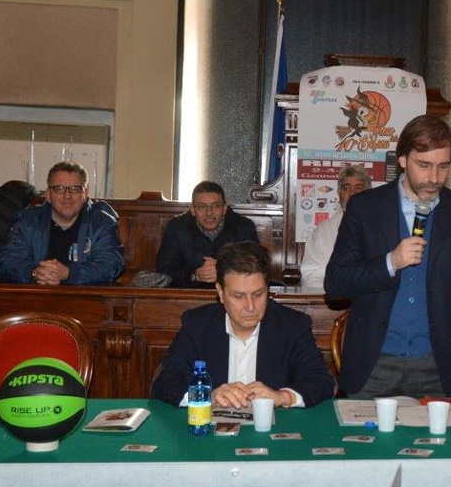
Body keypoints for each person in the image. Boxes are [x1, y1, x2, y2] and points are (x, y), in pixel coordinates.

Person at [325, 115, 451, 404]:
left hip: (438, 367)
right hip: (373, 366)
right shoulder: (365, 207)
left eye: (443, 166)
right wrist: (390, 262)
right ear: (403, 160)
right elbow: (336, 283)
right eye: (424, 165)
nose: (434, 178)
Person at [150, 242, 334, 409]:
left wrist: (282, 396)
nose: (250, 306)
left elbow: (321, 381)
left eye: (258, 294)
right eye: (238, 296)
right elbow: (165, 383)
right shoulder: (197, 324)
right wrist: (207, 397)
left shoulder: (293, 326)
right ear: (220, 292)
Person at [0, 161, 124, 285]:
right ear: (48, 195)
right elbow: (8, 261)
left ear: (85, 193)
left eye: (75, 189)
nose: (67, 195)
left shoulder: (102, 222)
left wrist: (68, 273)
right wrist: (35, 272)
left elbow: (110, 266)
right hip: (37, 295)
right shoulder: (29, 220)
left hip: (85, 297)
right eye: (59, 189)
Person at [157, 181, 259, 288]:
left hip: (233, 294)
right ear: (192, 209)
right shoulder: (177, 227)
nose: (209, 213)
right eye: (201, 207)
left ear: (224, 208)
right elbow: (164, 270)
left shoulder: (243, 227)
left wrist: (224, 271)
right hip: (189, 294)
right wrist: (194, 275)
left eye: (215, 206)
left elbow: (257, 267)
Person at [300, 164, 372, 289]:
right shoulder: (323, 231)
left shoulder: (380, 227)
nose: (352, 193)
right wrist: (337, 292)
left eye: (359, 187)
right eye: (346, 187)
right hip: (333, 296)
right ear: (339, 194)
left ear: (369, 193)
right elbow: (311, 275)